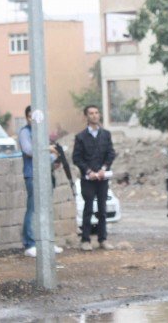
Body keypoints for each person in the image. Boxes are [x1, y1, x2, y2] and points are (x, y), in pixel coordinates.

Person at [18, 105, 64, 257]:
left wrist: (55, 158)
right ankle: (29, 243)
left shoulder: (43, 133)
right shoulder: (25, 132)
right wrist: (47, 149)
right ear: (27, 117)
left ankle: (48, 241)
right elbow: (29, 150)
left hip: (46, 175)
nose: (35, 120)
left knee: (46, 209)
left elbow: (49, 155)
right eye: (32, 116)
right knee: (32, 209)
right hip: (33, 175)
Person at [72, 105, 116, 251]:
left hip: (103, 178)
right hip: (88, 179)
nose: (94, 115)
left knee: (102, 209)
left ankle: (102, 239)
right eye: (91, 113)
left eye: (97, 113)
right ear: (86, 116)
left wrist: (104, 169)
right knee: (88, 208)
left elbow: (110, 153)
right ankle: (85, 240)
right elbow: (76, 158)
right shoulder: (81, 137)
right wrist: (88, 171)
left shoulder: (106, 134)